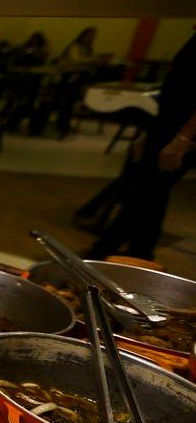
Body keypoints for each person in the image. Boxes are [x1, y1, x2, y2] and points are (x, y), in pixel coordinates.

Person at [86, 31, 196, 261]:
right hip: (167, 125)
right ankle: (141, 251)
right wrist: (151, 131)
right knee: (153, 193)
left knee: (143, 190)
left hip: (181, 131)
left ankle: (101, 253)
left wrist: (184, 138)